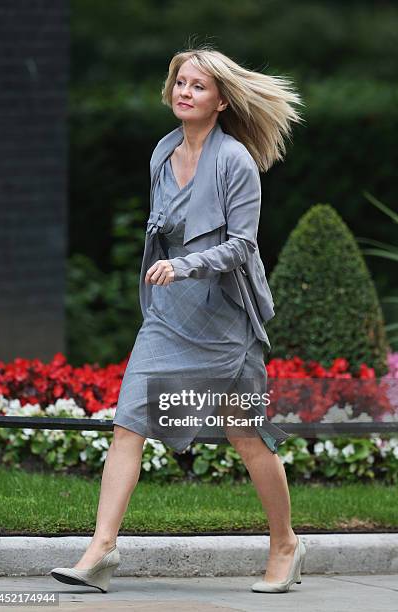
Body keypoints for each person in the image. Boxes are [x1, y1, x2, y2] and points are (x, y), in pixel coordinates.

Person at [50, 45, 306, 594]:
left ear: (220, 101)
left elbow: (242, 246)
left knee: (246, 434)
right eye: (180, 83)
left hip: (226, 325)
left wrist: (183, 264)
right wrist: (163, 267)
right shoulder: (163, 152)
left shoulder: (235, 161)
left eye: (198, 86)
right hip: (169, 318)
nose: (184, 92)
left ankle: (285, 542)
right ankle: (101, 549)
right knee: (127, 423)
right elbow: (160, 227)